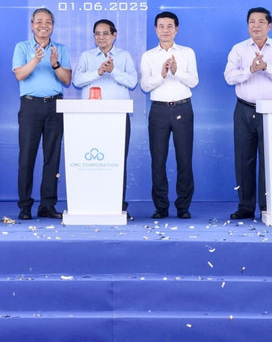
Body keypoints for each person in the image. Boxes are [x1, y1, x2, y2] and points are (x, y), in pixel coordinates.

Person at [225, 7, 272, 221]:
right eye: (252, 21)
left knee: (269, 160)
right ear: (248, 25)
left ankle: (267, 206)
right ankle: (245, 207)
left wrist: (266, 67)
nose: (256, 25)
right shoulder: (238, 49)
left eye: (261, 22)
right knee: (244, 159)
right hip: (244, 109)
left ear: (269, 25)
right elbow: (229, 77)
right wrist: (251, 70)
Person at [73, 19, 138, 220]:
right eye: (97, 34)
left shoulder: (124, 56)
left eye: (105, 33)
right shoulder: (86, 56)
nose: (101, 37)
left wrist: (113, 71)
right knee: (91, 161)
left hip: (118, 117)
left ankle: (118, 206)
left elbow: (133, 82)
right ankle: (90, 203)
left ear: (114, 35)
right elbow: (77, 80)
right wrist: (99, 72)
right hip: (89, 118)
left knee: (117, 162)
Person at [12, 8, 71, 220]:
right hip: (30, 106)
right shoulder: (22, 47)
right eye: (38, 21)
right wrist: (36, 60)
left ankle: (47, 205)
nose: (43, 25)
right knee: (26, 156)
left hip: (55, 106)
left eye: (47, 21)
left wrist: (55, 63)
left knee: (52, 157)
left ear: (53, 26)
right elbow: (19, 75)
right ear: (32, 25)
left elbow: (66, 80)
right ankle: (25, 206)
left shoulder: (60, 49)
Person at [140, 11, 198, 219]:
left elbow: (193, 82)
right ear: (155, 29)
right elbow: (145, 85)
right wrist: (163, 74)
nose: (165, 30)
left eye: (169, 26)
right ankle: (161, 207)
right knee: (158, 159)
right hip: (159, 110)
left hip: (183, 108)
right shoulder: (148, 56)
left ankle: (183, 206)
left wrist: (176, 70)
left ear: (176, 29)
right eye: (161, 26)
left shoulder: (187, 53)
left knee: (184, 159)